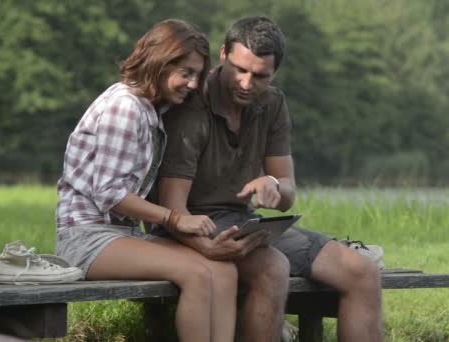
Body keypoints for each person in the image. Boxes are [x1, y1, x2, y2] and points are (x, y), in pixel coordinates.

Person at [155, 16, 383, 341]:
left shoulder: (272, 104)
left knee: (362, 271)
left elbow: (288, 192)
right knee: (273, 268)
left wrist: (273, 185)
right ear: (222, 55)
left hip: (247, 224)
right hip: (190, 226)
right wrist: (206, 247)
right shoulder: (192, 105)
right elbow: (172, 208)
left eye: (260, 76)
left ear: (274, 73)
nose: (247, 84)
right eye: (240, 70)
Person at [54, 19, 238, 342]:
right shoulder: (124, 107)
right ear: (159, 63)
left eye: (197, 75)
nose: (193, 84)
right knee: (196, 274)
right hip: (86, 238)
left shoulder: (151, 110)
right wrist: (176, 220)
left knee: (223, 270)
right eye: (186, 73)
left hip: (121, 235)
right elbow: (110, 195)